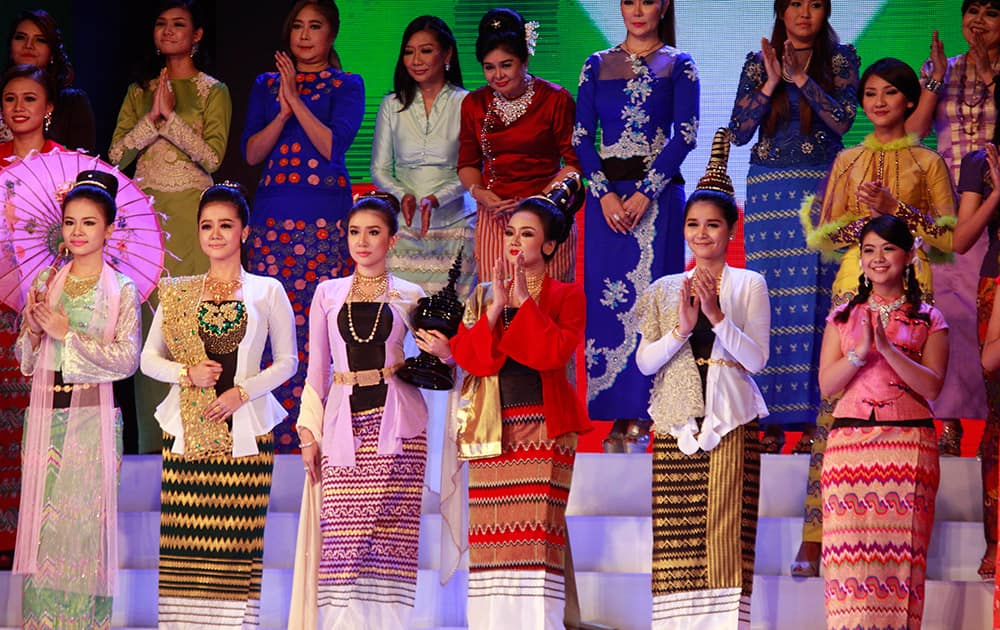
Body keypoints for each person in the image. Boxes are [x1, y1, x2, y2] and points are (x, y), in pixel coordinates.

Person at [797, 57, 955, 578]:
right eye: (870, 93)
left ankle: (904, 527)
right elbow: (826, 235)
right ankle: (818, 534)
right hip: (854, 285)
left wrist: (896, 212)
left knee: (901, 397)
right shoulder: (846, 159)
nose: (879, 102)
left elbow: (947, 240)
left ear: (911, 101)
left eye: (891, 93)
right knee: (839, 406)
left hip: (911, 288)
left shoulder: (929, 163)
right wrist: (868, 223)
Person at [417, 180, 590, 629]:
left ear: (550, 245)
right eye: (511, 232)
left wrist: (524, 304)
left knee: (536, 537)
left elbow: (550, 354)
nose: (515, 241)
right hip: (493, 429)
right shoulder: (482, 295)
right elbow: (475, 360)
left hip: (545, 427)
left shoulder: (566, 296)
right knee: (493, 538)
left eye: (527, 234)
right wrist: (495, 310)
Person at [140, 182, 297, 628]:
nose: (215, 234)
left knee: (236, 545)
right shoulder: (178, 292)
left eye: (225, 225)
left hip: (246, 434)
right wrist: (186, 374)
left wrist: (241, 392)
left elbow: (288, 362)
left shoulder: (267, 291)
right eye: (207, 225)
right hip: (187, 435)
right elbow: (148, 360)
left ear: (245, 232)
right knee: (185, 543)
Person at [635, 129, 769, 628]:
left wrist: (717, 319)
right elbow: (647, 363)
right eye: (693, 224)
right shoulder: (665, 287)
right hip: (675, 422)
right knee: (676, 537)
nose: (701, 234)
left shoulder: (749, 283)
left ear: (731, 229)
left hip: (730, 418)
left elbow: (756, 360)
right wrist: (681, 330)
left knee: (724, 535)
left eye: (713, 225)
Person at [290, 193, 427, 629]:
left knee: (388, 543)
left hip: (400, 427)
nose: (362, 242)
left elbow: (435, 361)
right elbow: (316, 371)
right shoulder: (327, 293)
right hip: (342, 428)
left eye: (373, 233)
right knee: (344, 544)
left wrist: (442, 354)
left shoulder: (411, 293)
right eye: (354, 232)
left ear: (392, 240)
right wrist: (308, 434)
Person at [729, 0, 859, 457]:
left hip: (822, 188)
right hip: (768, 191)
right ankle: (768, 416)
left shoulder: (840, 60)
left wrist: (801, 78)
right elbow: (739, 132)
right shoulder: (756, 61)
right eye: (796, 4)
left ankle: (811, 418)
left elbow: (843, 119)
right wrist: (769, 81)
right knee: (771, 300)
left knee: (818, 298)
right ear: (781, 11)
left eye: (816, 5)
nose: (806, 13)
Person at [14, 170, 141, 629]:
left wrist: (68, 335)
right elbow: (26, 361)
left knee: (83, 531)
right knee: (44, 532)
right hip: (48, 419)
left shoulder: (121, 289)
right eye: (70, 222)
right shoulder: (48, 282)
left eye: (89, 223)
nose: (78, 232)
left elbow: (128, 359)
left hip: (94, 421)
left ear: (109, 229)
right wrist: (32, 329)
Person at [575, 0, 699, 453]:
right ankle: (613, 415)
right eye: (629, 1)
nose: (638, 10)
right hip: (604, 201)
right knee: (606, 306)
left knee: (655, 303)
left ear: (664, 4)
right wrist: (604, 192)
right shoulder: (596, 65)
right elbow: (581, 137)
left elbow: (685, 134)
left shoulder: (678, 64)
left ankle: (650, 412)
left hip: (659, 198)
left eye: (648, 0)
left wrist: (646, 191)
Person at [110, 0, 232, 454]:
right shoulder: (139, 89)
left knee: (190, 327)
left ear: (197, 34)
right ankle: (148, 449)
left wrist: (170, 120)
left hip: (191, 219)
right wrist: (151, 118)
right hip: (142, 221)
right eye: (161, 23)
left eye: (178, 24)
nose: (168, 31)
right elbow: (116, 157)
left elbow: (214, 157)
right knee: (148, 331)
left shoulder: (212, 89)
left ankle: (198, 446)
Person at [242, 0, 364, 451]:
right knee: (272, 324)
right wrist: (281, 110)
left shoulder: (347, 84)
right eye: (298, 26)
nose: (306, 35)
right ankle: (268, 433)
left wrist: (295, 99)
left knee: (318, 325)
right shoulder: (264, 84)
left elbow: (333, 146)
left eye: (316, 26)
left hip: (324, 219)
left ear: (332, 35)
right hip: (273, 217)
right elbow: (253, 154)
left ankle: (318, 432)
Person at [908, 0, 1000, 578]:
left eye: (992, 14)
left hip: (990, 188)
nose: (979, 23)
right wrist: (932, 84)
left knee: (981, 318)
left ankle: (981, 420)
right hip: (952, 200)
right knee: (949, 310)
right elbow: (915, 132)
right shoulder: (947, 69)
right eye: (974, 13)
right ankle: (943, 423)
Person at [819, 215, 947, 630]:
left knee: (901, 565)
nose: (878, 259)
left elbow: (932, 387)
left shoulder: (930, 317)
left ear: (908, 257)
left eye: (888, 249)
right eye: (869, 250)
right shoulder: (841, 316)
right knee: (847, 566)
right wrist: (859, 352)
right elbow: (826, 385)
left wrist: (889, 349)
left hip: (908, 447)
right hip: (848, 451)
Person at [458, 7, 581, 284]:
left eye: (506, 64)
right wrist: (480, 194)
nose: (497, 75)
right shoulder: (474, 104)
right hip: (495, 217)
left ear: (525, 58)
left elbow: (574, 165)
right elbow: (467, 164)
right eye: (489, 67)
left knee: (547, 307)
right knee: (496, 302)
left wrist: (539, 202)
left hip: (547, 218)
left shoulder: (555, 99)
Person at [0, 62, 63, 570]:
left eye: (29, 98)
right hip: (1, 300)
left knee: (37, 417)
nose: (19, 108)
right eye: (10, 99)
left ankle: (39, 537)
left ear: (49, 108)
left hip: (47, 305)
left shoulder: (66, 169)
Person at [371, 15, 476, 297]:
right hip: (404, 231)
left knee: (452, 320)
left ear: (447, 53)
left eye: (426, 50)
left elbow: (472, 169)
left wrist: (436, 199)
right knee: (401, 318)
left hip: (457, 227)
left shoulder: (468, 103)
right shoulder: (391, 105)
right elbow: (379, 169)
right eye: (409, 51)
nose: (415, 59)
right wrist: (402, 193)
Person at [2, 9, 96, 152]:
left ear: (52, 52)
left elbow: (82, 162)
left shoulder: (72, 102)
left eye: (40, 40)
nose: (28, 45)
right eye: (21, 37)